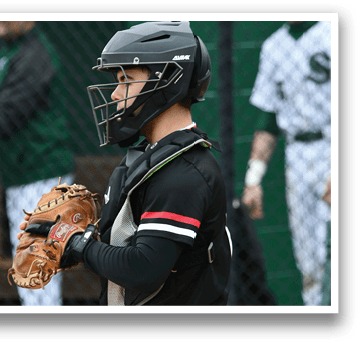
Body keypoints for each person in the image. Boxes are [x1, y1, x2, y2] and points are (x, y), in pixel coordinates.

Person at [20, 21, 232, 305]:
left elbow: (143, 268)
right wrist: (78, 242)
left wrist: (76, 244)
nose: (115, 94)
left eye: (126, 80)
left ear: (168, 79)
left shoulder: (185, 172)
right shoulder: (144, 158)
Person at [0, 21, 75, 306]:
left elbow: (8, 117)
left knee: (37, 277)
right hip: (20, 176)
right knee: (30, 277)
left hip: (43, 178)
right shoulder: (9, 53)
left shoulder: (36, 55)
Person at [241, 21, 331, 305]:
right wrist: (253, 180)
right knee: (309, 261)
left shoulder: (334, 31)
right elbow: (268, 118)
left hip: (332, 143)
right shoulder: (273, 47)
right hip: (297, 155)